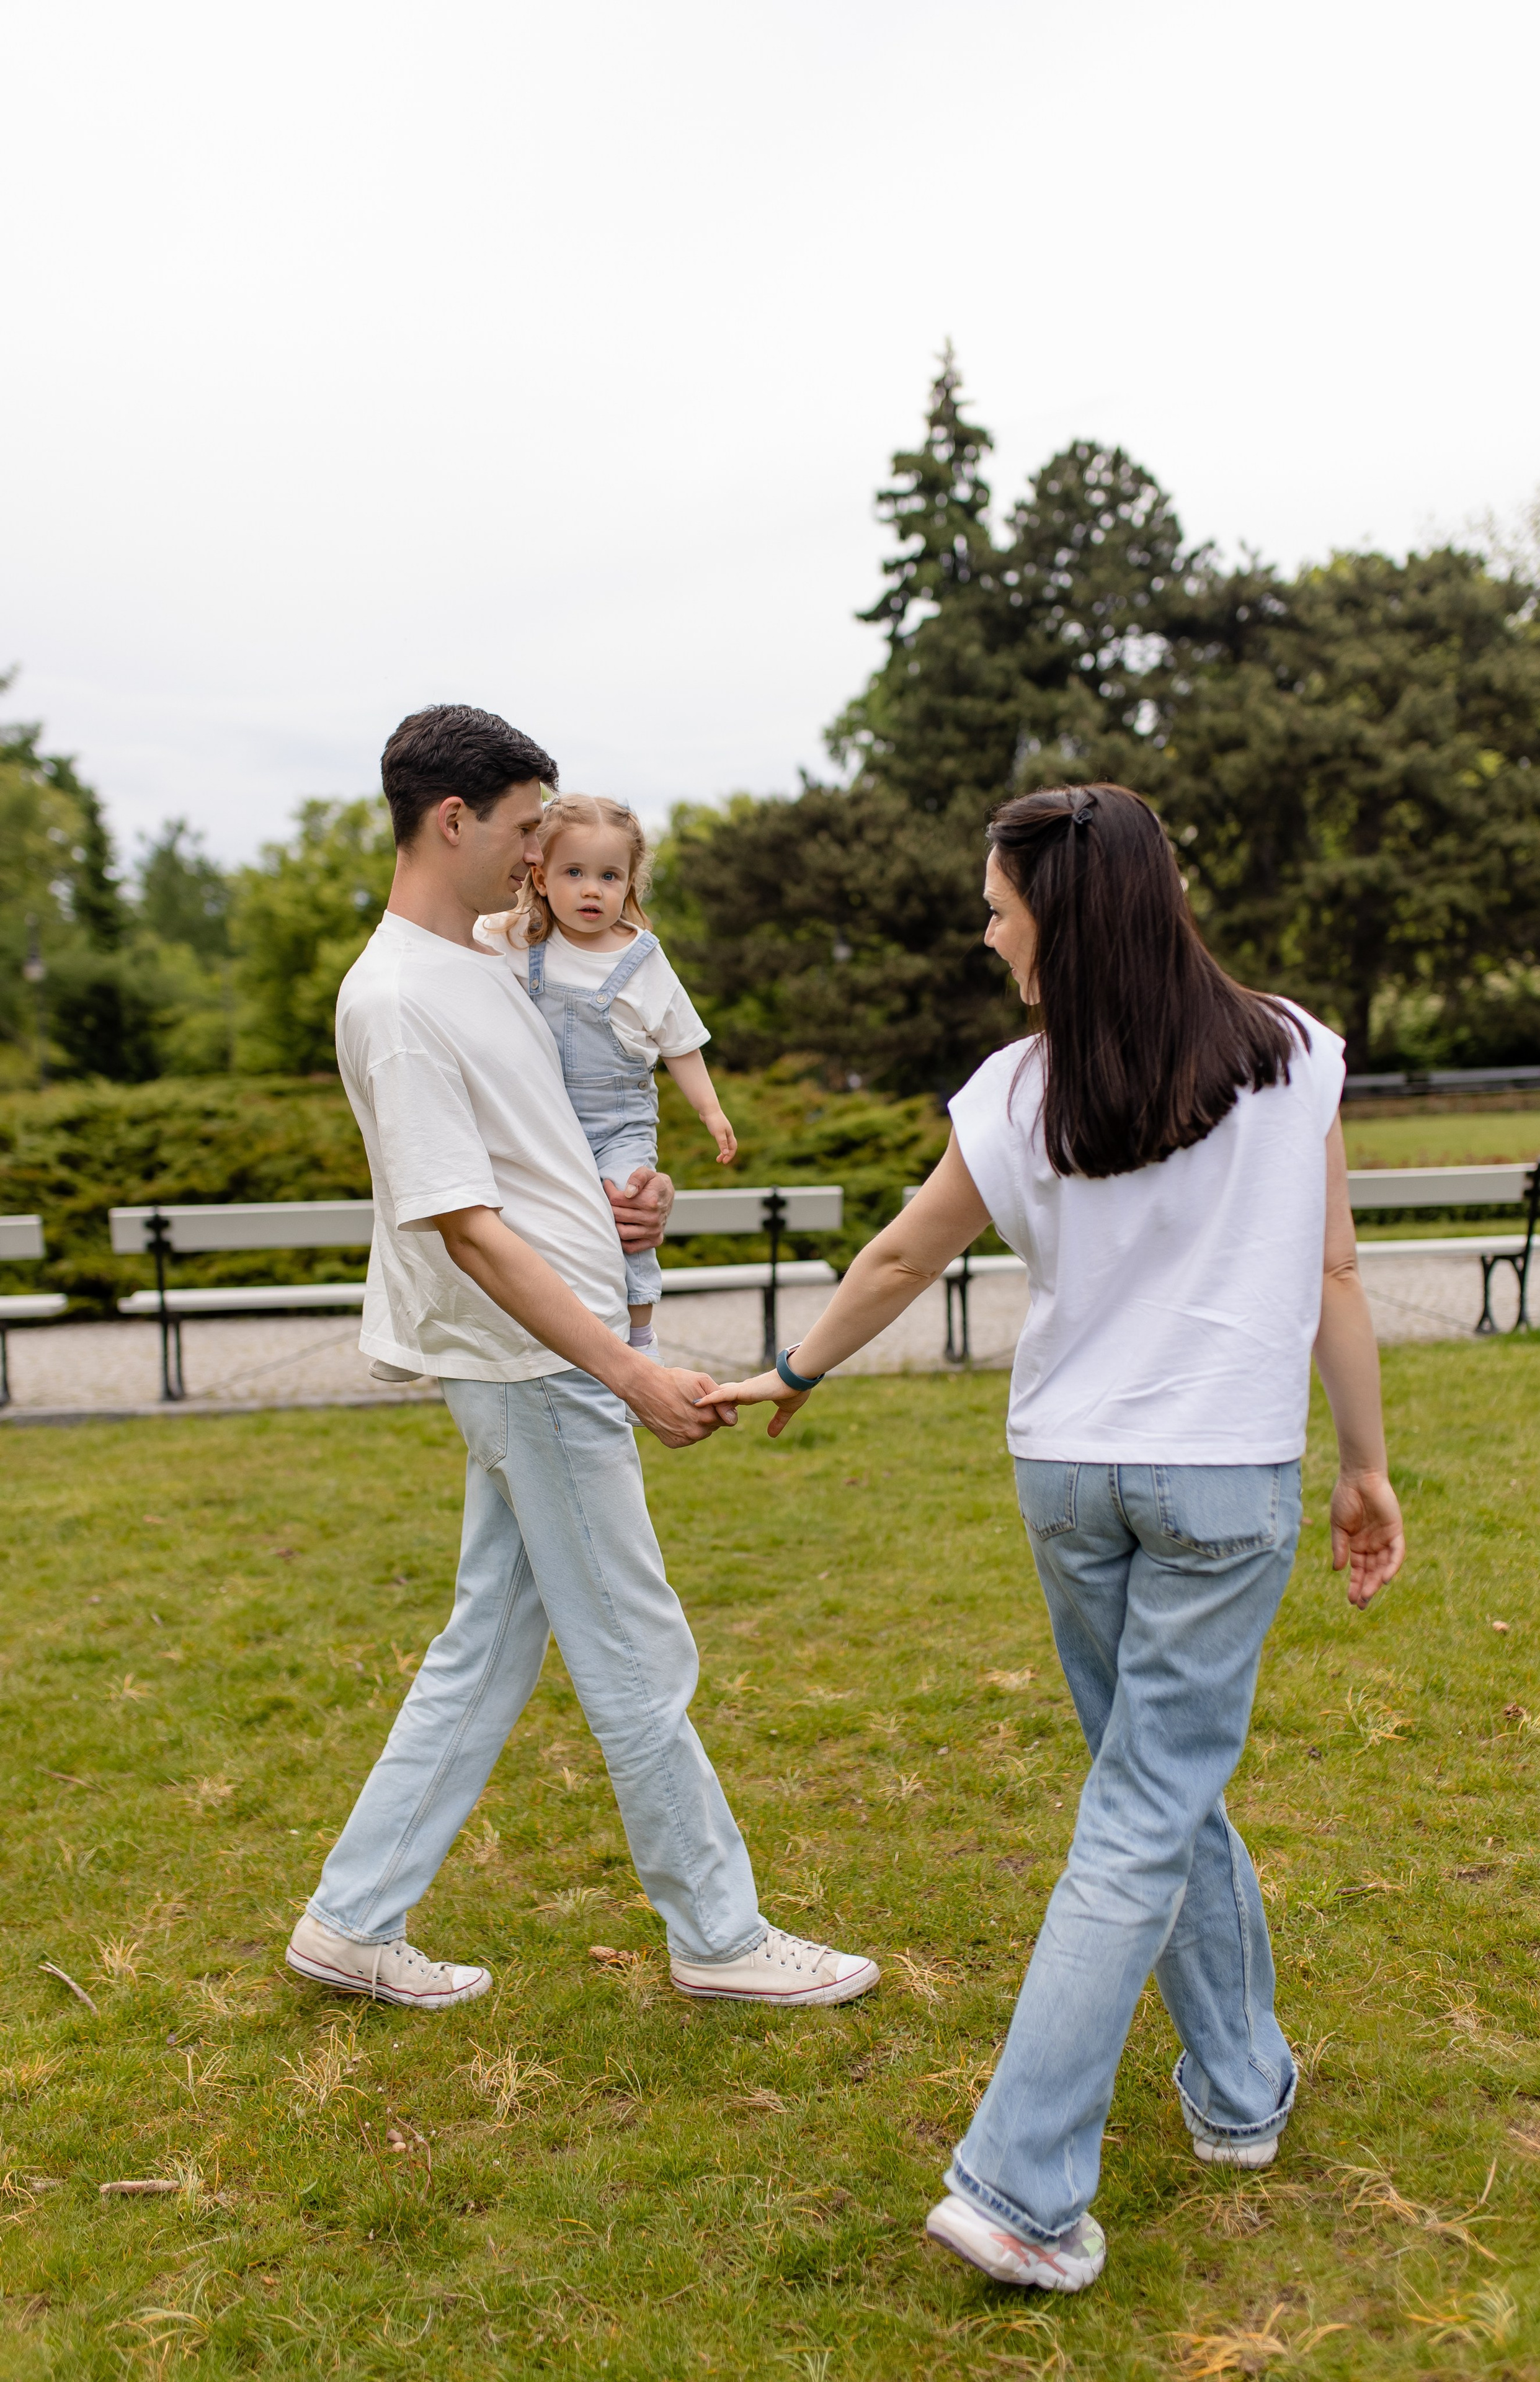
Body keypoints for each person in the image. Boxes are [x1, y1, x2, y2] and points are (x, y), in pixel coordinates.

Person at [706, 783, 1404, 2292]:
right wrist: (1363, 1462)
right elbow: (1336, 1274)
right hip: (1216, 1481)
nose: (985, 926)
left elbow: (904, 1249)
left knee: (1151, 1792)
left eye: (998, 904)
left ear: (1065, 919)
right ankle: (1019, 2183)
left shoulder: (1019, 1092)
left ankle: (1235, 2088)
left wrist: (800, 1365)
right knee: (1148, 1801)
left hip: (1073, 1479)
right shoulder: (1288, 1052)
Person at [286, 703, 878, 2016]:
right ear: (455, 820)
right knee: (634, 1651)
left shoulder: (491, 958)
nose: (537, 858)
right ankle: (718, 1935)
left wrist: (630, 1206)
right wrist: (624, 1368)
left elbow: (541, 1148)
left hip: (553, 1343)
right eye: (520, 830)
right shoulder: (394, 998)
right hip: (535, 1361)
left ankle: (351, 1920)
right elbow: (465, 1230)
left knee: (487, 1646)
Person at [474, 791, 737, 1358]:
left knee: (629, 1211)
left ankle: (640, 1335)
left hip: (620, 1123)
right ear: (541, 878)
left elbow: (681, 1044)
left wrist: (711, 1112)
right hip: (545, 1123)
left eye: (610, 876)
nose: (592, 889)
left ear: (629, 885)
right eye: (574, 872)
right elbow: (457, 935)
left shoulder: (641, 958)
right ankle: (559, 1335)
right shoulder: (518, 937)